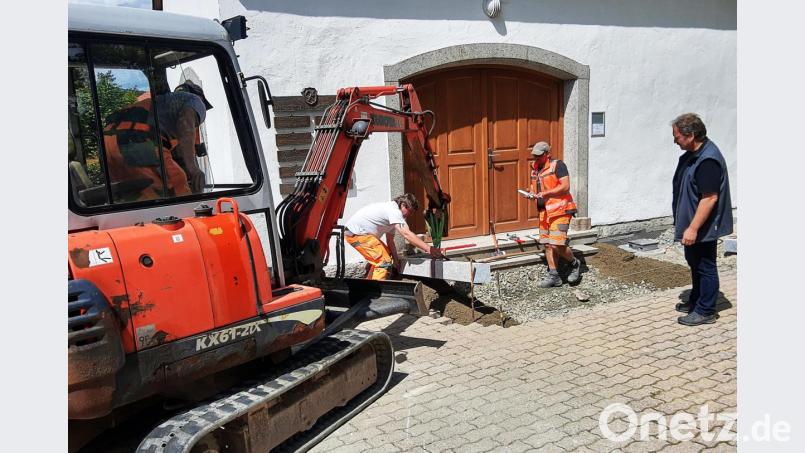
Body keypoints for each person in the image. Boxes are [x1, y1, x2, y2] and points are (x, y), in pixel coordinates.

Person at [671, 113, 733, 326]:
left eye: (677, 136)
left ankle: (706, 310)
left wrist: (693, 228)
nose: (675, 140)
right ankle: (697, 300)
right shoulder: (694, 154)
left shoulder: (707, 160)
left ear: (691, 135)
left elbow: (710, 198)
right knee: (694, 262)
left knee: (705, 265)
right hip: (692, 223)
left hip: (703, 226)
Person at [103, 80, 211, 201]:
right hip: (136, 138)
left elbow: (181, 150)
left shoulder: (163, 105)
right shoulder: (195, 101)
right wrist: (194, 169)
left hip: (108, 142)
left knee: (140, 191)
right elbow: (185, 125)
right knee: (176, 182)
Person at [344, 193, 445, 280]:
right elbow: (407, 234)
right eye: (409, 211)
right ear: (403, 205)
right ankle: (377, 296)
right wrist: (429, 249)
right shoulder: (394, 211)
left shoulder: (393, 215)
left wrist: (396, 259)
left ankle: (369, 286)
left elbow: (390, 240)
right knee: (384, 262)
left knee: (385, 256)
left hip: (360, 234)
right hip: (356, 234)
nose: (409, 215)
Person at [525, 141, 581, 288]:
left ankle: (574, 264)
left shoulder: (558, 166)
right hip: (544, 212)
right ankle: (554, 276)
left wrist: (545, 193)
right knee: (548, 245)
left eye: (539, 155)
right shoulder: (534, 170)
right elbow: (535, 188)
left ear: (547, 154)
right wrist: (531, 194)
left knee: (557, 244)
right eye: (534, 155)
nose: (535, 158)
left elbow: (565, 186)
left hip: (561, 210)